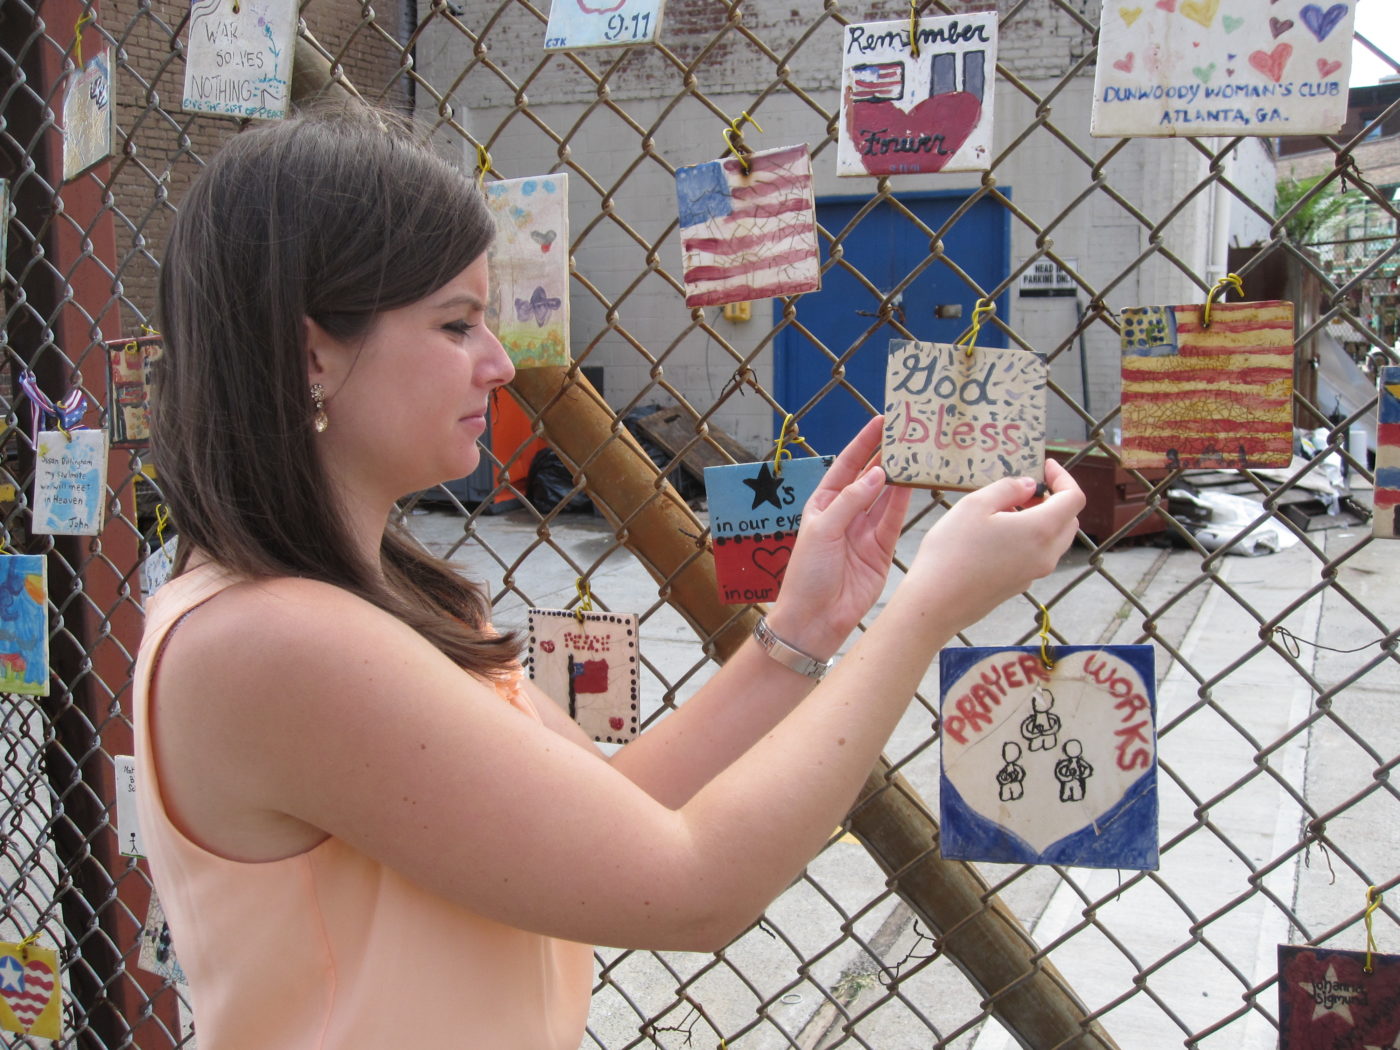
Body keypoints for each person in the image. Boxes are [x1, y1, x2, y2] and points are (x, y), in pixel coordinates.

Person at [134, 103, 1084, 1050]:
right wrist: (923, 612)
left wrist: (808, 627)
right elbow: (689, 891)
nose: (500, 364)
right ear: (313, 354)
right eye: (457, 324)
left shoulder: (380, 596)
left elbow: (619, 802)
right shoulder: (274, 640)